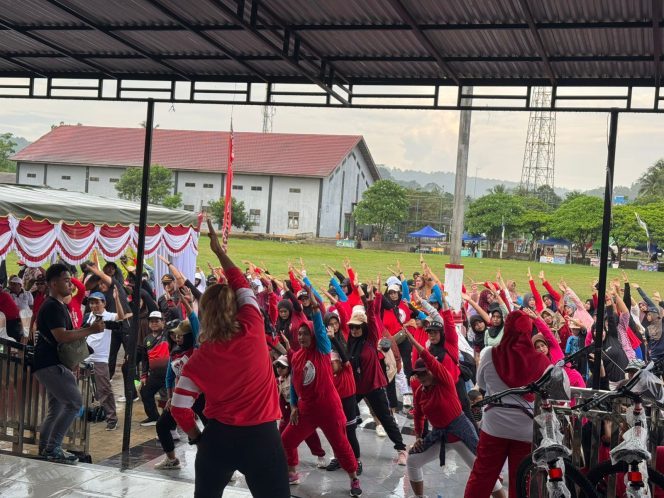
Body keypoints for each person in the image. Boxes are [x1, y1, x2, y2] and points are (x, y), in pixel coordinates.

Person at [170, 219, 290, 498]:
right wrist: (218, 251)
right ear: (234, 307)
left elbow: (179, 408)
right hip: (262, 438)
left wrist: (198, 438)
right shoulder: (253, 325)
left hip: (218, 439)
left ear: (205, 313)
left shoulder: (198, 359)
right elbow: (240, 282)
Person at [404, 328, 504, 498]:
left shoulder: (444, 380)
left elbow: (430, 360)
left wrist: (414, 342)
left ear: (432, 370)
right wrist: (419, 437)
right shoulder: (420, 391)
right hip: (439, 434)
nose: (421, 377)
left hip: (460, 431)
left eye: (424, 373)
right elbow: (419, 415)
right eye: (417, 375)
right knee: (413, 460)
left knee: (482, 470)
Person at [280, 294, 362, 496]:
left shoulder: (322, 350)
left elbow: (319, 329)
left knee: (340, 445)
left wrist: (316, 310)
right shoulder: (297, 357)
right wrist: (294, 406)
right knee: (286, 441)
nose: (301, 337)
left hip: (329, 409)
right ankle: (292, 473)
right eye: (299, 334)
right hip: (306, 410)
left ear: (313, 336)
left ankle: (353, 478)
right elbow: (295, 384)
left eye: (305, 334)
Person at [465, 310, 553, 498]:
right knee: (520, 481)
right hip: (525, 429)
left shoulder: (489, 354)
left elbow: (481, 384)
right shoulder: (542, 361)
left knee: (482, 476)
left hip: (494, 426)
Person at [33, 263, 105, 463]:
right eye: (66, 280)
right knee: (74, 403)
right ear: (53, 284)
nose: (70, 284)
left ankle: (46, 447)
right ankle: (53, 448)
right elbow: (62, 336)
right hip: (50, 364)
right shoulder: (52, 306)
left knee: (56, 409)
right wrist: (91, 330)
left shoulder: (60, 306)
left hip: (50, 363)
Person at [348, 281, 408, 465]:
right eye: (352, 327)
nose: (354, 330)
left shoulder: (371, 338)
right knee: (345, 417)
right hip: (356, 387)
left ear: (364, 327)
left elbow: (373, 318)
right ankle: (346, 452)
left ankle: (401, 449)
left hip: (373, 386)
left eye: (358, 327)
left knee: (385, 418)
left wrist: (372, 300)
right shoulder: (350, 341)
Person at [273, 354, 328, 469]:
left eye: (282, 366)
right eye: (277, 366)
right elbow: (280, 399)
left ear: (289, 368)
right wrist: (281, 415)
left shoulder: (294, 378)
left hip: (299, 410)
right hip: (287, 413)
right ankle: (286, 459)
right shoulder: (278, 380)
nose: (279, 369)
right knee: (282, 436)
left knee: (310, 435)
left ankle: (320, 455)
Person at [84, 290, 128, 431]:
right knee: (83, 389)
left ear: (104, 303)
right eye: (91, 303)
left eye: (97, 302)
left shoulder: (108, 316)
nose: (94, 305)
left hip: (100, 359)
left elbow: (121, 317)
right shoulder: (88, 316)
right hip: (84, 358)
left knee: (104, 389)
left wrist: (117, 299)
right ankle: (86, 415)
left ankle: (112, 419)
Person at [140, 311, 170, 427]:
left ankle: (169, 421)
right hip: (155, 375)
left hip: (168, 373)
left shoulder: (167, 334)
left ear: (163, 322)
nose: (154, 323)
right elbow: (145, 359)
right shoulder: (146, 339)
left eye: (157, 321)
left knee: (167, 398)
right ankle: (154, 417)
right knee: (145, 392)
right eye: (151, 321)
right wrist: (144, 375)